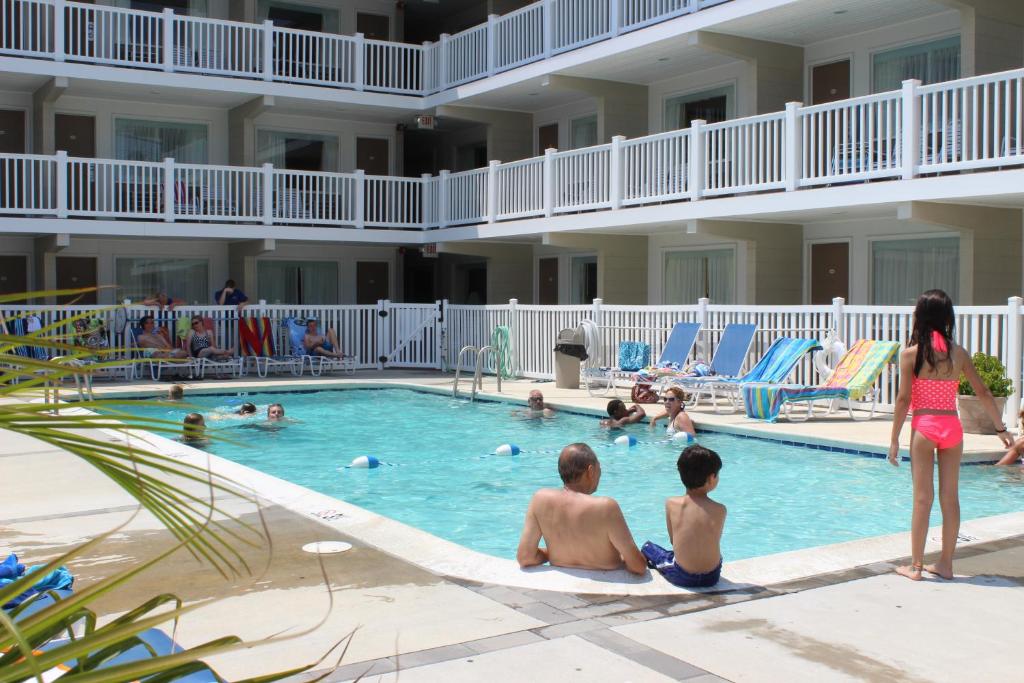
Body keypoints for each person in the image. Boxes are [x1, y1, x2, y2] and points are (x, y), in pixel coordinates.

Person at [888, 289, 1013, 581]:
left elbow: (904, 400)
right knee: (950, 498)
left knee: (922, 499)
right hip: (951, 428)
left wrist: (894, 438)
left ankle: (916, 566)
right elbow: (982, 392)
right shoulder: (958, 354)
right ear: (947, 318)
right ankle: (945, 563)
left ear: (920, 316)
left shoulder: (910, 355)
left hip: (924, 427)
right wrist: (1001, 429)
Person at [516, 443, 647, 575]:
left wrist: (554, 553)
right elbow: (638, 566)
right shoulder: (605, 507)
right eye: (599, 469)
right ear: (590, 471)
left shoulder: (540, 499)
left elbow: (525, 557)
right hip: (605, 590)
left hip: (561, 589)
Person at [641, 445, 725, 588]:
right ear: (711, 478)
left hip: (683, 577)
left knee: (648, 547)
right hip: (712, 577)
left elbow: (674, 541)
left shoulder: (672, 504)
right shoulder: (720, 509)